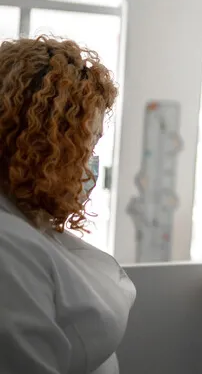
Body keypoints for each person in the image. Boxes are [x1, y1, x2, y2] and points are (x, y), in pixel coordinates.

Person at [0, 37, 135, 374]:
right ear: (41, 146)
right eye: (86, 148)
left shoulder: (23, 220)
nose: (90, 165)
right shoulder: (7, 247)